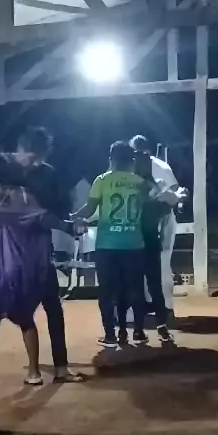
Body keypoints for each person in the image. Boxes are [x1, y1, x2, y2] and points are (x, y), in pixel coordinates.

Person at [0, 151, 69, 389]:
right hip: (24, 268)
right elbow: (46, 219)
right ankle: (34, 372)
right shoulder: (26, 196)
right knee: (26, 320)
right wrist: (69, 227)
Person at [14, 127, 80, 382]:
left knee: (49, 306)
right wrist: (67, 225)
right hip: (15, 250)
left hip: (33, 250)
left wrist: (66, 222)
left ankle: (59, 367)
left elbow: (56, 210)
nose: (33, 159)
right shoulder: (8, 173)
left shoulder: (43, 173)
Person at [74, 141, 148, 349]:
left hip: (107, 244)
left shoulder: (102, 180)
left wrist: (73, 217)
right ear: (131, 160)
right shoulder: (141, 182)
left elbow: (90, 208)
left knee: (107, 291)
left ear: (111, 159)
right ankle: (138, 332)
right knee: (134, 289)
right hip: (134, 243)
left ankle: (110, 335)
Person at [130, 136, 178, 316]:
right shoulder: (132, 167)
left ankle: (165, 306)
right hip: (143, 222)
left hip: (161, 220)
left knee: (162, 262)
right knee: (144, 265)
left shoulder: (159, 167)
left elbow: (173, 192)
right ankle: (150, 304)